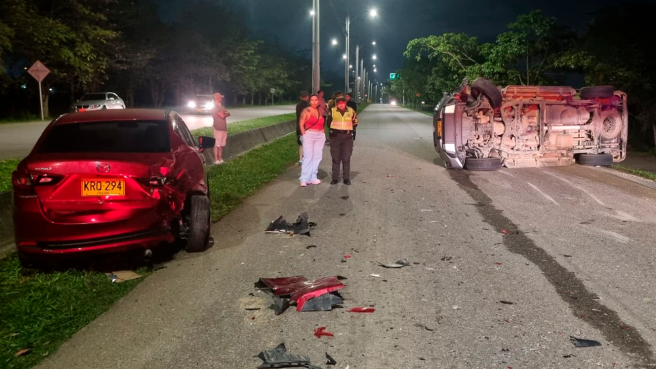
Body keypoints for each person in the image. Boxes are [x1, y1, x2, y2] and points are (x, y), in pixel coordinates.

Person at [327, 96, 358, 185]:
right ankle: (335, 178)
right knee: (336, 158)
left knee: (346, 158)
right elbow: (328, 123)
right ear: (337, 103)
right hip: (335, 137)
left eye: (343, 103)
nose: (341, 104)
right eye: (339, 103)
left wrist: (350, 129)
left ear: (345, 103)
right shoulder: (332, 111)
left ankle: (346, 178)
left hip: (347, 137)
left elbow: (355, 122)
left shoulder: (351, 111)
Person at [298, 94, 326, 187]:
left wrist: (323, 134)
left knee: (317, 157)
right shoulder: (306, 111)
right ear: (309, 101)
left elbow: (322, 125)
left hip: (320, 136)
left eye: (316, 100)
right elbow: (301, 124)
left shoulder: (320, 111)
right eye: (312, 100)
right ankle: (304, 178)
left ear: (318, 101)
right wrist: (304, 135)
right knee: (308, 157)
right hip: (309, 135)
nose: (314, 102)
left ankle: (313, 177)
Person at [212, 92, 230, 164]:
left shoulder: (221, 107)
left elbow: (228, 113)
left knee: (221, 144)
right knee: (217, 144)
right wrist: (225, 114)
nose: (221, 99)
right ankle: (216, 159)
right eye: (220, 97)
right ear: (217, 98)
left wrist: (225, 114)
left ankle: (220, 158)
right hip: (217, 128)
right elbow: (223, 115)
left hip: (223, 128)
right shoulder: (215, 108)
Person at [295, 91, 310, 166]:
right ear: (307, 97)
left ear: (300, 97)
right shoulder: (309, 105)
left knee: (301, 144)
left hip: (300, 127)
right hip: (308, 128)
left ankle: (300, 159)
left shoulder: (298, 105)